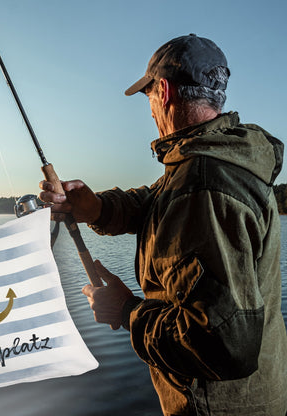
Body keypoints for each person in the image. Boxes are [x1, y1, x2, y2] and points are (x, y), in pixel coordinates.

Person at [39, 34, 287, 416]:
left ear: (165, 91)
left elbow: (223, 345)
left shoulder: (203, 183)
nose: (151, 111)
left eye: (149, 97)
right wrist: (95, 207)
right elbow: (154, 202)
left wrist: (126, 311)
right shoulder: (211, 160)